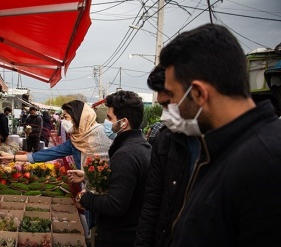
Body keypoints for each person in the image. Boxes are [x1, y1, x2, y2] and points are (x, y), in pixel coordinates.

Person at [159, 24, 281, 246]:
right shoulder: (220, 147)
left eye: (173, 95)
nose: (172, 105)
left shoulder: (267, 162)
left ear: (198, 93)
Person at [1, 100, 113, 244]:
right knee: (95, 230)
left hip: (111, 194)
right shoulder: (76, 139)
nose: (62, 120)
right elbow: (50, 153)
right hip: (89, 191)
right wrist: (15, 157)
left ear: (78, 116)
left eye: (66, 117)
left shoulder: (105, 135)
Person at [69, 90, 151, 247]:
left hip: (118, 237)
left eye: (109, 118)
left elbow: (115, 205)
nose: (105, 123)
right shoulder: (141, 146)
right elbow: (124, 185)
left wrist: (85, 199)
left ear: (123, 122)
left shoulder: (126, 154)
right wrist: (87, 176)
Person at [135, 65, 197, 247]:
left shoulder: (238, 147)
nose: (165, 115)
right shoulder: (166, 138)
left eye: (168, 104)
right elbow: (153, 201)